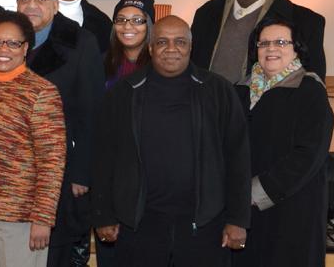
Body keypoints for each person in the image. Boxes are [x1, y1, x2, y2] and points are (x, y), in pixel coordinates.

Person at [92, 16, 251, 267]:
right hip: (139, 222)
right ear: (151, 47)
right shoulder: (123, 93)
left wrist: (238, 219)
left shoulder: (218, 91)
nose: (171, 49)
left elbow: (238, 158)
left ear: (190, 47)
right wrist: (103, 214)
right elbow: (104, 157)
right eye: (162, 42)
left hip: (204, 222)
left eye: (180, 42)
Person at [0, 10, 66, 267]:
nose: (3, 49)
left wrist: (42, 218)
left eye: (13, 43)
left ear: (25, 47)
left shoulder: (42, 92)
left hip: (20, 216)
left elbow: (52, 162)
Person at [15, 0, 104, 267]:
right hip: (13, 175)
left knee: (55, 253)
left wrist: (82, 174)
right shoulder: (5, 41)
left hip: (62, 172)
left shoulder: (81, 42)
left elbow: (92, 112)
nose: (32, 6)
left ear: (55, 5)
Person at [232, 18, 334, 267]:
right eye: (263, 43)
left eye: (280, 42)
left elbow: (309, 154)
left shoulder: (310, 89)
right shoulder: (240, 90)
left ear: (296, 48)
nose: (271, 48)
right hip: (245, 211)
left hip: (293, 208)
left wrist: (256, 191)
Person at [190, 0, 326, 82]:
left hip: (268, 103)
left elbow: (313, 80)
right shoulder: (206, 14)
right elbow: (191, 66)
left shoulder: (305, 22)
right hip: (208, 100)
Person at [104, 0, 155, 89]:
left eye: (137, 20)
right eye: (121, 19)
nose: (127, 26)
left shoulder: (160, 65)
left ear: (149, 25)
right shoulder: (102, 62)